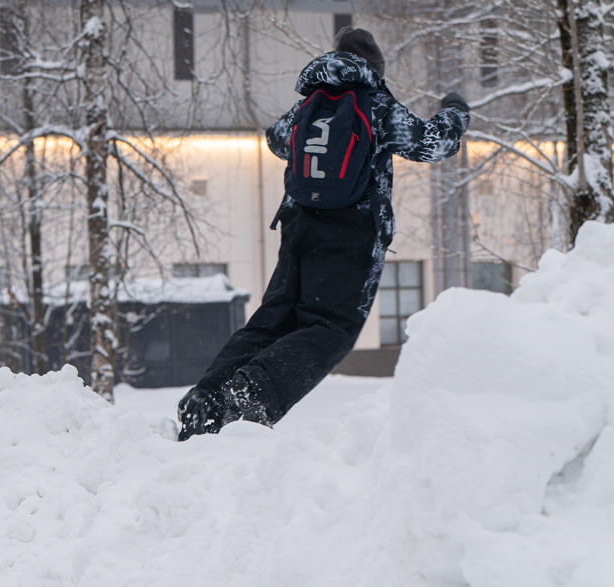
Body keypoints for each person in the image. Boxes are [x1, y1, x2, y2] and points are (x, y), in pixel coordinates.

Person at [176, 27, 470, 440]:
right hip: (350, 234)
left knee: (272, 320)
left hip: (298, 226)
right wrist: (456, 110)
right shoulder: (376, 105)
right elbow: (434, 144)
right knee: (332, 326)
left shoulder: (307, 104)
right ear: (375, 69)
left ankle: (205, 400)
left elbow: (277, 140)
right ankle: (254, 391)